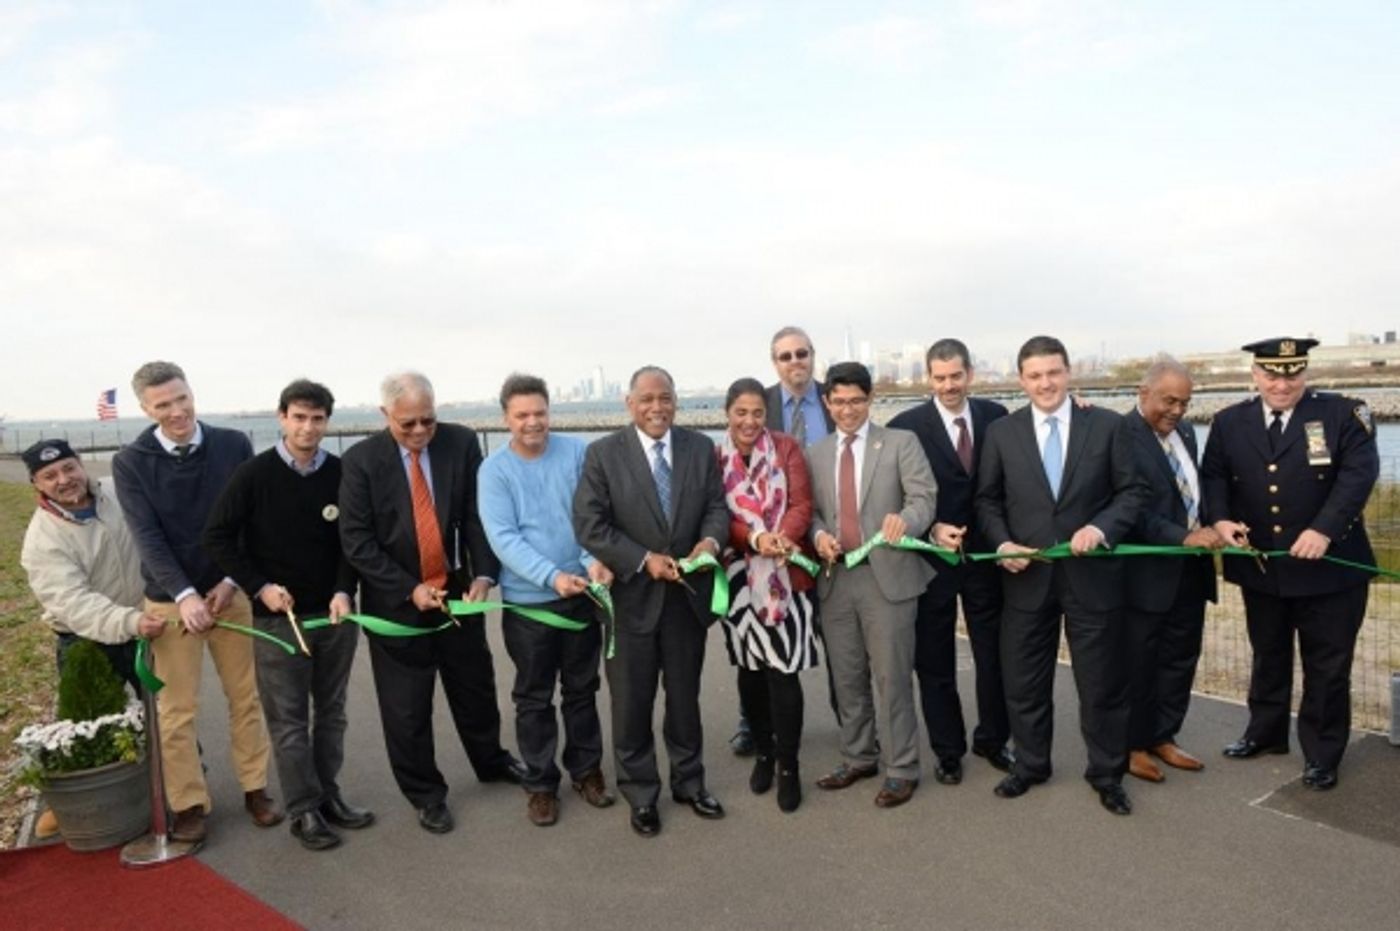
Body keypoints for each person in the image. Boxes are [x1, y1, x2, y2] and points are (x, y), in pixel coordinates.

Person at [338, 371, 524, 835]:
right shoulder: (361, 462)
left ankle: (491, 761)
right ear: (386, 416)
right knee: (407, 710)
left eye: (428, 421)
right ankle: (426, 794)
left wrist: (484, 574)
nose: (420, 432)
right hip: (396, 606)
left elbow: (475, 516)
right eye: (408, 425)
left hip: (457, 596)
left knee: (476, 689)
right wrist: (408, 588)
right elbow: (357, 542)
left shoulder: (459, 444)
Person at [975, 336, 1147, 816]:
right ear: (1021, 380)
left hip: (1092, 579)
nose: (1045, 383)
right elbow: (986, 500)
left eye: (1053, 372)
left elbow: (1132, 493)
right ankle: (1030, 765)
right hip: (1026, 579)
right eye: (1034, 375)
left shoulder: (1107, 426)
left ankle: (1107, 774)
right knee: (1025, 682)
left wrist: (1100, 527)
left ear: (1068, 372)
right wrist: (1001, 544)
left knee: (1101, 684)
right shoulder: (1002, 434)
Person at [203, 379, 375, 851]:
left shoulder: (342, 472)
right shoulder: (252, 475)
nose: (308, 427)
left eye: (317, 418)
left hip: (336, 616)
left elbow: (352, 540)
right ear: (281, 418)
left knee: (333, 713)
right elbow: (218, 537)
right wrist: (260, 587)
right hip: (280, 622)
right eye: (299, 417)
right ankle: (304, 811)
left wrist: (345, 589)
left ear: (327, 422)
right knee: (290, 721)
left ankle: (329, 796)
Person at [112, 361, 278, 845]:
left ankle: (255, 788)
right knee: (176, 710)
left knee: (245, 697)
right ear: (145, 409)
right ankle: (187, 803)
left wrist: (229, 582)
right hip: (170, 603)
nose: (177, 411)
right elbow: (148, 538)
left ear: (191, 393)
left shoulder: (233, 445)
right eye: (163, 405)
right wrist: (184, 596)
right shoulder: (130, 462)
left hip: (230, 593)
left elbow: (247, 522)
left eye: (181, 398)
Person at [1201, 337, 1378, 790]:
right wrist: (1220, 520)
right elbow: (1214, 476)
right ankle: (1265, 734)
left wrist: (1323, 529)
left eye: (1293, 373)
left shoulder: (1344, 414)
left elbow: (1358, 476)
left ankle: (1322, 754)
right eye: (1273, 374)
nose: (1282, 384)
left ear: (1306, 373)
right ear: (1256, 375)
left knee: (1327, 668)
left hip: (1332, 570)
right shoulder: (1228, 422)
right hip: (1264, 568)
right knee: (1269, 655)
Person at [573, 365, 730, 837]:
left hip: (686, 601)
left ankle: (689, 782)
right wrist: (642, 560)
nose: (657, 407)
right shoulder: (602, 455)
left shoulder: (700, 448)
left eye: (665, 398)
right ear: (629, 403)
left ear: (676, 401)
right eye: (647, 399)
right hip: (629, 602)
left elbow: (717, 508)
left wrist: (710, 542)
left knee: (685, 700)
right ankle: (641, 794)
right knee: (631, 705)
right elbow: (590, 525)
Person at [477, 374, 616, 828]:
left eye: (539, 412)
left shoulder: (576, 453)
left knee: (582, 690)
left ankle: (587, 772)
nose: (532, 422)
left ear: (549, 412)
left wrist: (590, 561)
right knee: (534, 698)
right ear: (505, 419)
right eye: (522, 415)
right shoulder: (493, 472)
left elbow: (588, 516)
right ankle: (540, 784)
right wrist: (551, 577)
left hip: (581, 595)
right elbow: (503, 538)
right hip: (528, 605)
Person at [20, 439, 165, 840]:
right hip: (85, 637)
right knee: (87, 726)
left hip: (142, 624)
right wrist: (130, 621)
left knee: (165, 714)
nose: (64, 480)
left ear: (81, 465)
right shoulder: (42, 540)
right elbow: (73, 603)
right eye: (50, 475)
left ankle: (181, 785)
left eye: (69, 468)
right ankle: (75, 805)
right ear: (36, 483)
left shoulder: (117, 495)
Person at [808, 362, 938, 809]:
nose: (848, 410)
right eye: (839, 401)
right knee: (847, 677)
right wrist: (817, 535)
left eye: (856, 401)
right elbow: (813, 512)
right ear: (827, 403)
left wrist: (909, 519)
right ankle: (859, 755)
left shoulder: (901, 443)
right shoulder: (816, 453)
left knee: (893, 678)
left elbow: (924, 497)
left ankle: (902, 768)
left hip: (889, 577)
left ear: (870, 400)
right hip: (836, 578)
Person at [887, 338, 1014, 786]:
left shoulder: (997, 418)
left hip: (985, 559)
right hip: (932, 562)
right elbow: (900, 494)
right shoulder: (906, 426)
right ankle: (948, 750)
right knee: (935, 661)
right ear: (929, 378)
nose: (948, 386)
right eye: (939, 378)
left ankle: (993, 739)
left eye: (955, 376)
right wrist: (931, 527)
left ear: (970, 375)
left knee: (993, 656)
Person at [715, 377, 819, 813]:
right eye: (741, 412)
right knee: (750, 672)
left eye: (757, 412)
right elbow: (716, 513)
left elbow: (802, 503)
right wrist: (753, 539)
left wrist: (780, 538)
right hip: (739, 577)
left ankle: (789, 766)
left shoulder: (787, 448)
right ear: (728, 414)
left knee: (783, 672)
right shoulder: (713, 455)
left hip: (786, 573)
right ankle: (763, 752)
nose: (750, 421)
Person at [1122, 358, 1223, 783]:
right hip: (1145, 576)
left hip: (1191, 573)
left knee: (1180, 658)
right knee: (1138, 663)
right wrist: (1180, 537)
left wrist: (1218, 524)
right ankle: (1132, 744)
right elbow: (1130, 507)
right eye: (1169, 401)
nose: (1178, 411)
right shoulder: (1120, 436)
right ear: (1144, 393)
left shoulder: (1184, 432)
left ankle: (1164, 736)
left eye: (1185, 402)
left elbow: (1192, 494)